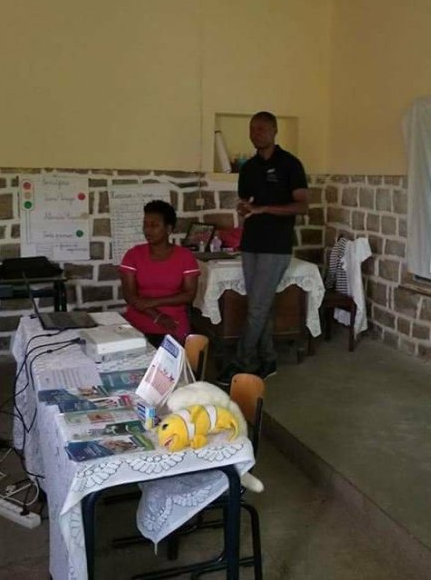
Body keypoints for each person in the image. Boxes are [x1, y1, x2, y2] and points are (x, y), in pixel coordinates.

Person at [218, 111, 309, 384]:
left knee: (257, 308)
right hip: (251, 244)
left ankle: (242, 363)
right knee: (260, 305)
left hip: (276, 246)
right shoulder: (248, 168)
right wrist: (245, 209)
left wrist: (264, 208)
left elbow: (302, 206)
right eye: (251, 129)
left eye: (260, 129)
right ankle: (268, 360)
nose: (255, 134)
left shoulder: (290, 164)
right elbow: (247, 203)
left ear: (274, 130)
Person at [119, 200, 200, 348]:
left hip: (173, 322)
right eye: (145, 224)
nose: (147, 230)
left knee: (171, 364)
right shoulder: (133, 255)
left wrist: (151, 302)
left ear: (169, 229)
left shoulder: (185, 256)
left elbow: (189, 295)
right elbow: (129, 296)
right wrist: (157, 315)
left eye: (154, 225)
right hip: (139, 318)